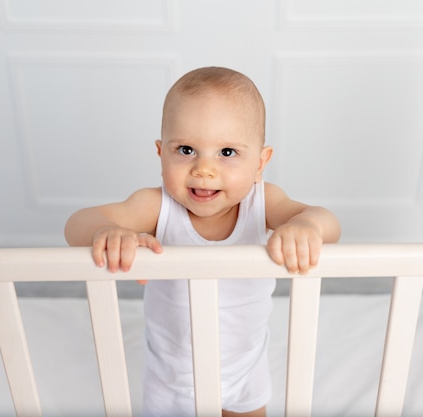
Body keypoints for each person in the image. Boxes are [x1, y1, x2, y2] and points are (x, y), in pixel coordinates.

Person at [65, 66, 341, 417]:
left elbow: (328, 222)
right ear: (160, 153)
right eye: (185, 149)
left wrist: (306, 226)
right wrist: (106, 231)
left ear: (260, 163)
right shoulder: (156, 205)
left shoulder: (262, 202)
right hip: (171, 377)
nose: (203, 169)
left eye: (227, 152)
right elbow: (77, 223)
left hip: (245, 367)